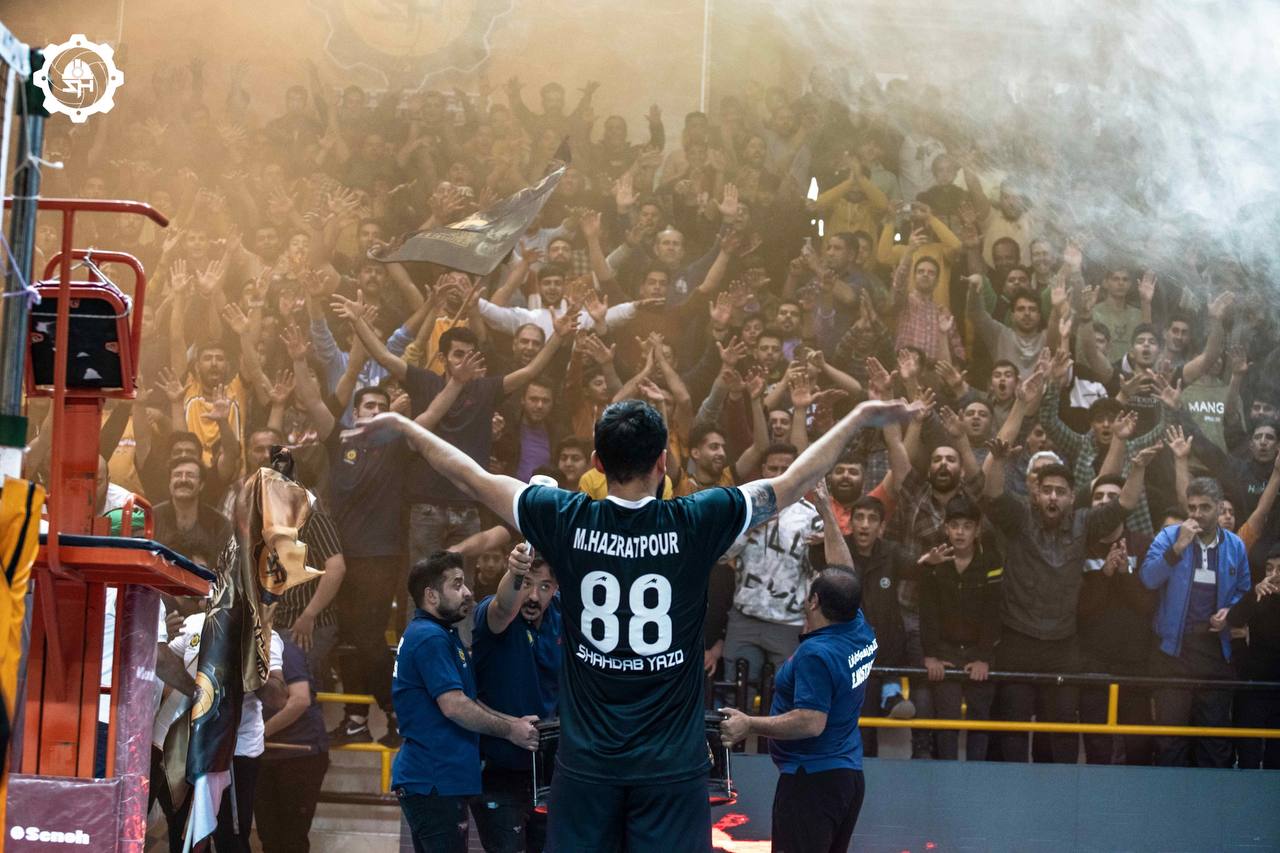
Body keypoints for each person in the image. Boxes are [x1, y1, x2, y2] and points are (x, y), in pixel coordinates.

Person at [357, 396, 914, 852]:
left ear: (596, 464)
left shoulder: (564, 515)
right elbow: (792, 481)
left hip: (585, 765)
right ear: (663, 462)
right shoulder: (698, 519)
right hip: (671, 768)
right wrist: (859, 416)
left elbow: (471, 475)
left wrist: (407, 426)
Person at [391, 551, 540, 853]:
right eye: (457, 585)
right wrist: (509, 730)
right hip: (434, 779)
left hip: (437, 780)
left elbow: (468, 700)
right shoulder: (430, 638)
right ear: (431, 596)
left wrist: (514, 724)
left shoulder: (441, 635)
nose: (468, 592)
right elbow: (455, 706)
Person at [719, 569, 875, 853]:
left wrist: (749, 724)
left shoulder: (816, 653)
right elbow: (846, 573)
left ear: (814, 601)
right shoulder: (858, 628)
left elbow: (811, 722)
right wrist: (830, 533)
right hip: (847, 777)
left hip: (811, 782)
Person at [1140, 477, 1252, 767]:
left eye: (1205, 507)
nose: (1197, 514)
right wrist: (1177, 548)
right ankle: (1170, 795)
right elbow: (1148, 579)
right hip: (1173, 650)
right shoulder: (1169, 536)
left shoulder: (1235, 545)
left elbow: (1244, 590)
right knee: (1170, 739)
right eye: (1192, 508)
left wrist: (1229, 613)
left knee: (1214, 740)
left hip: (1214, 648)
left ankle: (1212, 795)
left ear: (1219, 507)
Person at [469, 544, 562, 852]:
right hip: (499, 770)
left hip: (549, 774)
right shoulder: (494, 615)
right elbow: (504, 607)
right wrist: (515, 573)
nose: (533, 596)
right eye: (526, 584)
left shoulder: (559, 616)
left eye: (545, 586)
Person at [917, 495, 1002, 761]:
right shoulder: (934, 562)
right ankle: (947, 775)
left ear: (977, 530)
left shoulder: (991, 561)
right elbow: (927, 612)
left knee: (980, 718)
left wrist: (983, 658)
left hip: (979, 651)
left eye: (967, 526)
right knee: (947, 719)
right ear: (946, 528)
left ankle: (977, 775)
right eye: (954, 526)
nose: (960, 532)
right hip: (946, 650)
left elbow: (993, 613)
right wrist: (931, 655)